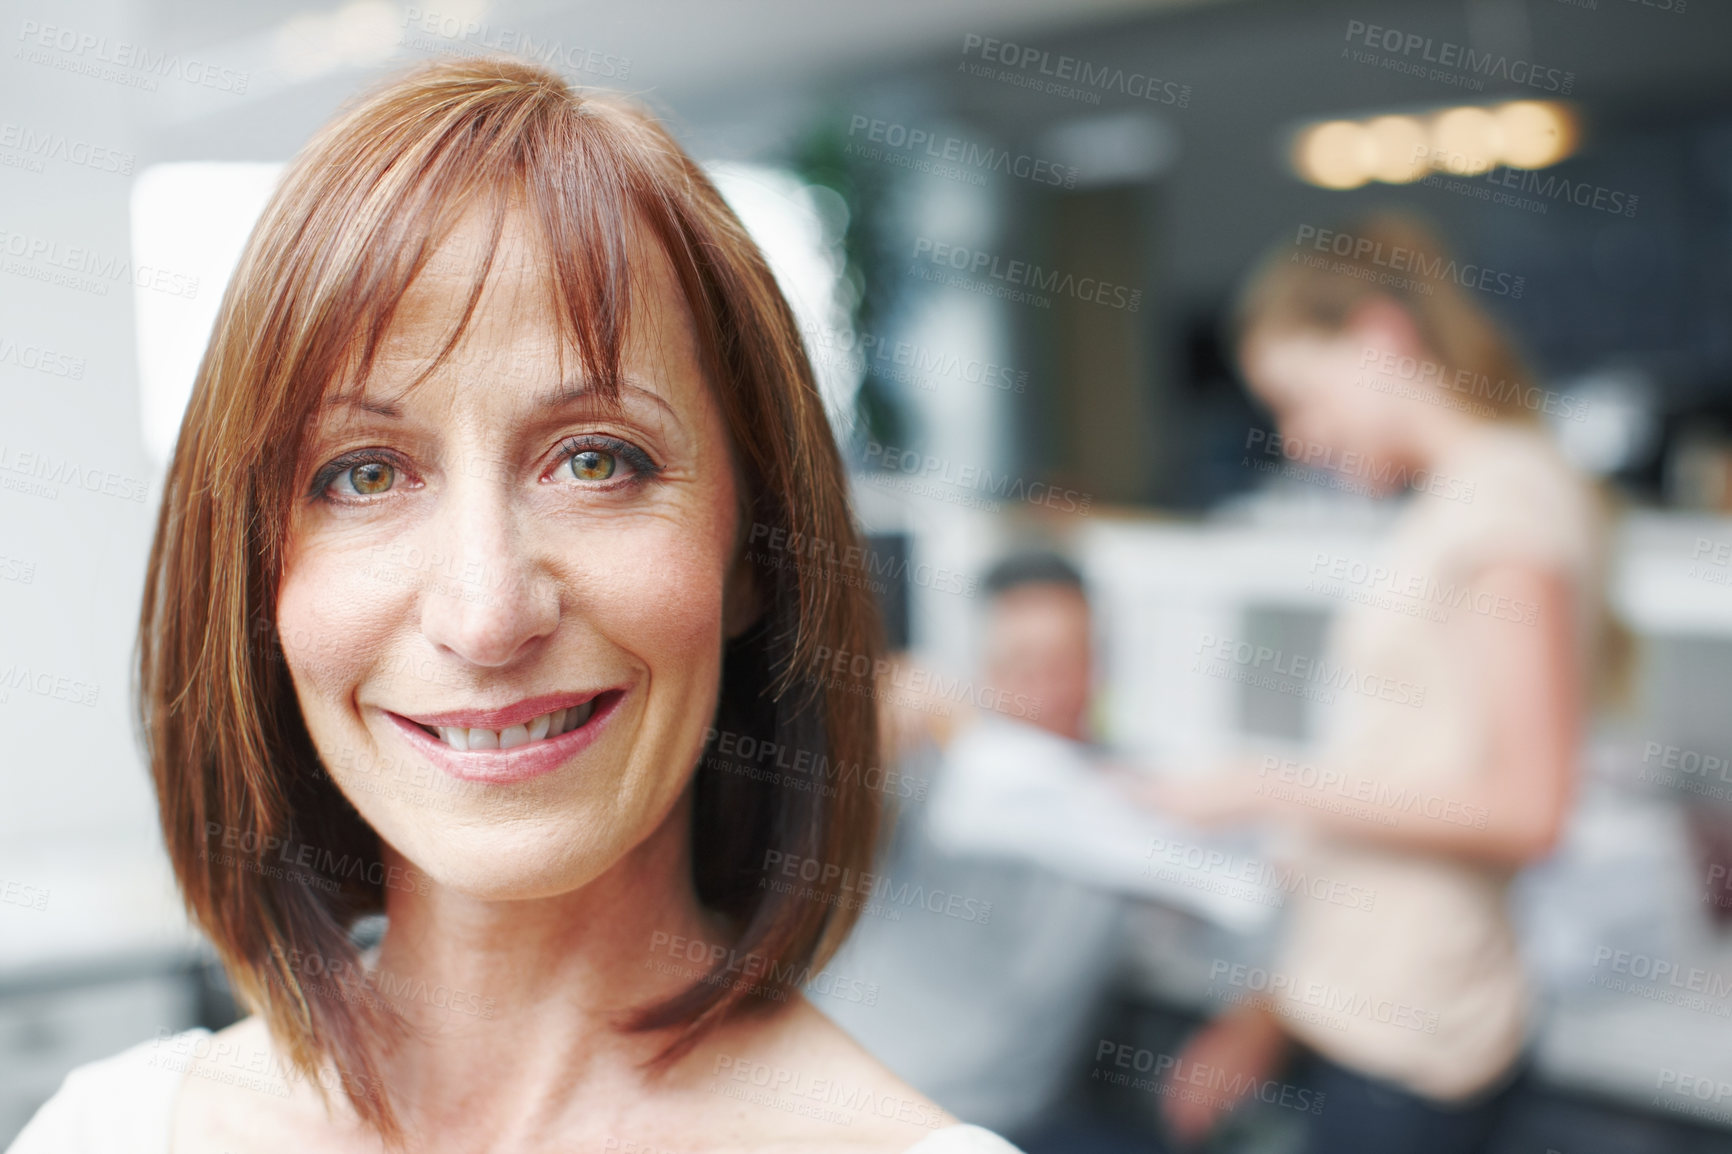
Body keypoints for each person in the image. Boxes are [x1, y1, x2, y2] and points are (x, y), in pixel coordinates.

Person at [8, 58, 1022, 1154]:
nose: (488, 615)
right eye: (362, 472)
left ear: (755, 551)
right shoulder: (109, 1129)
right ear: (258, 582)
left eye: (597, 459)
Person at [1150, 213, 1612, 1153]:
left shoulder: (1503, 499)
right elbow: (1423, 762)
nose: (1298, 438)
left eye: (1300, 399)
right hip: (1371, 1015)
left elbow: (1530, 807)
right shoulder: (1463, 499)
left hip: (1418, 1040)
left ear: (1379, 336)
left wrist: (1263, 785)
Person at [825, 552, 1272, 1152]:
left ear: (1102, 666)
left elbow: (1256, 917)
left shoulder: (1142, 800)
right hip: (851, 1088)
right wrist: (867, 721)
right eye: (1021, 665)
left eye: (1068, 661)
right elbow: (821, 796)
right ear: (986, 669)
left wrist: (1256, 1026)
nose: (1047, 689)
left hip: (1004, 1120)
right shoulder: (935, 764)